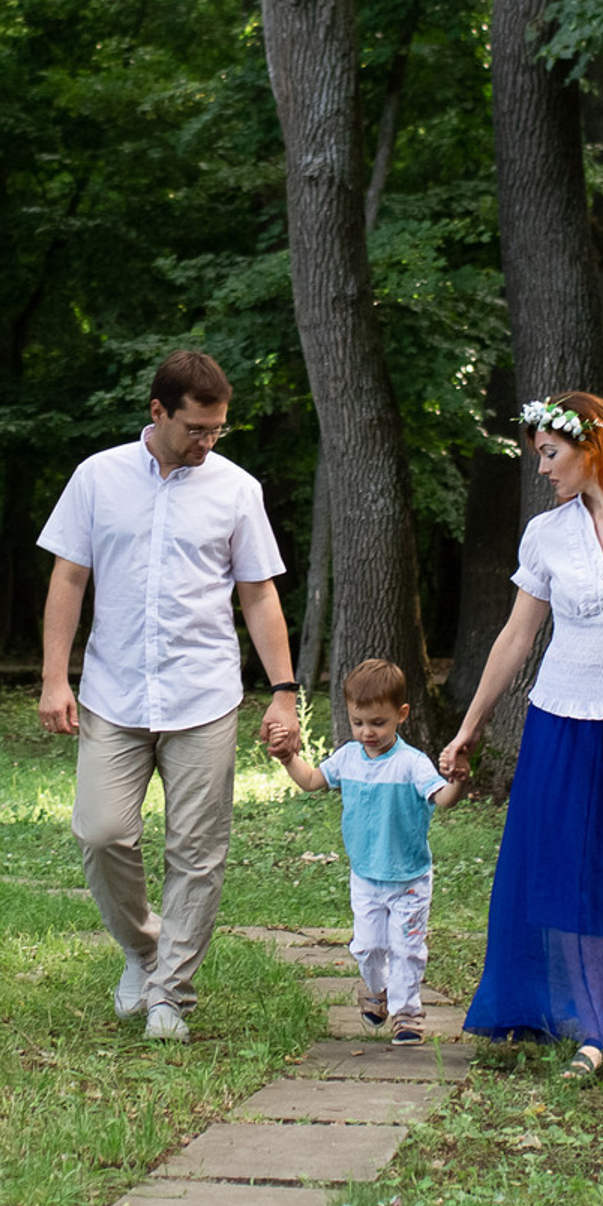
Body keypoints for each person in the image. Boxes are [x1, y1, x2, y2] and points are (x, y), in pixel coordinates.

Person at [37, 350, 303, 1041]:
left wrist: (283, 691)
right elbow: (68, 579)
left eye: (218, 431)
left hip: (203, 694)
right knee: (101, 833)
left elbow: (258, 592)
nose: (207, 443)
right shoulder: (97, 478)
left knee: (197, 851)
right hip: (112, 693)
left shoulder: (236, 489)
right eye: (196, 429)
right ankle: (144, 949)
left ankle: (170, 996)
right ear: (157, 413)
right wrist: (53, 677)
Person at [439, 392, 603, 1078]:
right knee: (569, 870)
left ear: (593, 447)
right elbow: (517, 635)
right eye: (538, 457)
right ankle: (589, 1033)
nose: (544, 470)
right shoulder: (546, 533)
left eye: (551, 454)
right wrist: (469, 727)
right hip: (562, 722)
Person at [274, 655, 462, 1045]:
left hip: (409, 877)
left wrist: (457, 779)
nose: (367, 732)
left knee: (406, 948)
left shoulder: (412, 764)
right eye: (358, 723)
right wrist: (288, 757)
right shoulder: (347, 758)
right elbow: (311, 780)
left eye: (378, 723)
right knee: (368, 946)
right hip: (365, 876)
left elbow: (443, 800)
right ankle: (375, 991)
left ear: (401, 714)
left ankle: (407, 1014)